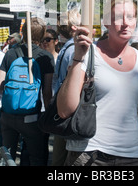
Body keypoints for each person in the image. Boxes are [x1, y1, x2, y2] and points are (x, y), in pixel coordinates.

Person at [57, 0, 138, 166]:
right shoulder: (87, 52)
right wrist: (77, 58)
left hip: (132, 157)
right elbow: (64, 110)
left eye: (130, 17)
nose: (125, 23)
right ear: (106, 22)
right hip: (90, 154)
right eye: (118, 17)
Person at [0, 17, 55, 166]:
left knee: (6, 156)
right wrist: (48, 115)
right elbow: (47, 92)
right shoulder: (45, 57)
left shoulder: (10, 53)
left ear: (22, 32)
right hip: (32, 116)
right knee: (36, 158)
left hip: (8, 114)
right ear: (42, 35)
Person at [51, 9, 81, 166]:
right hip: (69, 113)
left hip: (62, 109)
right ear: (74, 27)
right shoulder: (74, 51)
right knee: (65, 157)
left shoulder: (66, 48)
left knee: (60, 155)